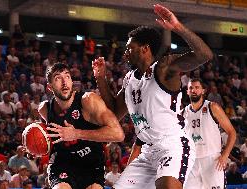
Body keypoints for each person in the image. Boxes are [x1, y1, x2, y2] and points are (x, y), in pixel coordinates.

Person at [92, 4, 213, 189]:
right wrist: (101, 79)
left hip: (173, 146)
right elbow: (114, 114)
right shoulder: (130, 79)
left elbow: (204, 55)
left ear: (144, 49)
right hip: (148, 151)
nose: (125, 53)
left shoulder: (164, 68)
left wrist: (178, 27)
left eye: (129, 48)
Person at [38, 63, 124, 189]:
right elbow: (46, 138)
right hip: (63, 164)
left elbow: (118, 134)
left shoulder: (88, 100)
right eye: (58, 78)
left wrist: (76, 133)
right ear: (50, 87)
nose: (64, 82)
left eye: (67, 77)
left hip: (92, 165)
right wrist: (35, 147)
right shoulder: (44, 109)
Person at [182, 78, 236, 189]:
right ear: (187, 91)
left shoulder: (213, 107)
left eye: (197, 87)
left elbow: (232, 132)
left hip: (212, 160)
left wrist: (225, 155)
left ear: (203, 91)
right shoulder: (182, 113)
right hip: (192, 162)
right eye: (191, 88)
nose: (194, 90)